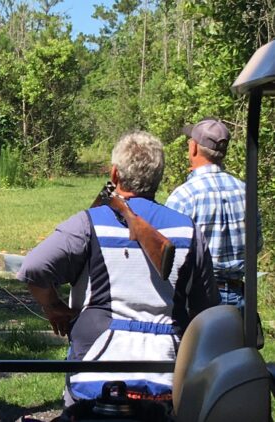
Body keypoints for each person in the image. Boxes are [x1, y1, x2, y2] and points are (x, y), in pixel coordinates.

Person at [17, 131, 219, 405]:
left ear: (114, 175)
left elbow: (32, 267)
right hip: (168, 375)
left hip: (95, 374)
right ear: (158, 176)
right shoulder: (189, 230)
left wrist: (53, 306)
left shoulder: (88, 223)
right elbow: (206, 311)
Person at [165, 118, 263, 310]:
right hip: (238, 298)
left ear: (193, 148)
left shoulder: (184, 196)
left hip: (197, 297)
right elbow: (256, 245)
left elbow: (167, 256)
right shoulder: (246, 192)